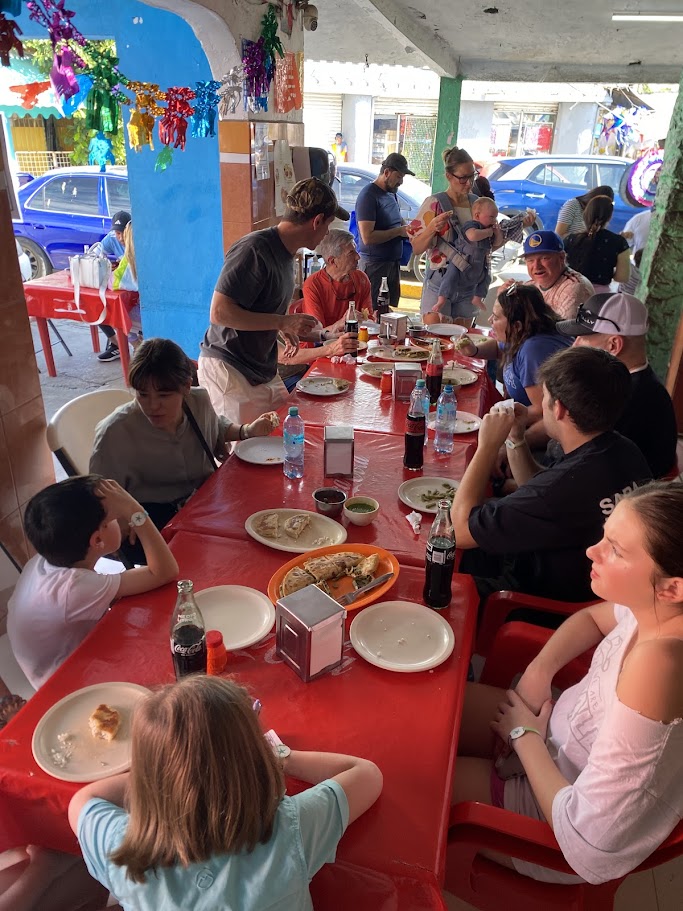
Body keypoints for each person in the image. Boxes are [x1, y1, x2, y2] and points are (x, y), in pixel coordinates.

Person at [453, 482, 683, 885]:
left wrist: (525, 737)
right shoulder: (656, 607)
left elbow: (586, 840)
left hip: (551, 818)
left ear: (673, 587)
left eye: (615, 549)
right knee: (432, 708)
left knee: (409, 781)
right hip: (550, 735)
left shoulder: (659, 667)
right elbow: (592, 619)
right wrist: (541, 671)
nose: (593, 551)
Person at [70, 675, 383, 910]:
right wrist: (282, 757)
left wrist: (162, 777)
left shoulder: (121, 848)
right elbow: (367, 775)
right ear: (255, 757)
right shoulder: (291, 831)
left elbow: (82, 801)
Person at [451, 346, 651, 603]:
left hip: (542, 601)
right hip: (596, 588)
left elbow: (458, 531)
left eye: (544, 397)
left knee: (439, 566)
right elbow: (539, 488)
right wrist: (515, 436)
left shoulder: (558, 492)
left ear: (559, 409)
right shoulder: (622, 449)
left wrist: (487, 446)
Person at [91, 339, 277, 562]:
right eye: (142, 394)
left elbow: (214, 426)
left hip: (206, 503)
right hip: (152, 520)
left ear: (186, 386)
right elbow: (97, 496)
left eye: (163, 395)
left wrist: (246, 431)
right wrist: (118, 518)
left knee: (264, 531)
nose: (152, 406)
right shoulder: (114, 432)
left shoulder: (198, 401)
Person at [198, 178, 348, 425]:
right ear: (317, 221)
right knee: (244, 453)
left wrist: (284, 326)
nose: (327, 234)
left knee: (287, 435)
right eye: (328, 225)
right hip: (230, 369)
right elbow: (220, 312)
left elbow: (259, 310)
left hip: (262, 371)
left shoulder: (287, 255)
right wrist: (281, 321)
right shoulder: (255, 249)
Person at [7, 477, 178, 691]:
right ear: (97, 540)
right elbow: (164, 571)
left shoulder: (43, 561)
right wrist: (136, 512)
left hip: (51, 664)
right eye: (116, 517)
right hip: (67, 684)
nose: (124, 521)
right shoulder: (74, 587)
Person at [556, 292, 677, 479]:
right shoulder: (641, 384)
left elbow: (579, 478)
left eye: (583, 338)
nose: (574, 345)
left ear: (614, 345)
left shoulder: (621, 401)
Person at [456, 284, 570, 426]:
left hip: (542, 429)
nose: (489, 320)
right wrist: (474, 351)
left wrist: (506, 434)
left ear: (517, 326)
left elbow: (542, 410)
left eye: (496, 318)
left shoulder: (534, 351)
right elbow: (500, 349)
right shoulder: (521, 334)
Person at [355, 152, 413, 310]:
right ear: (386, 172)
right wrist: (399, 231)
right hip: (374, 266)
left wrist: (409, 228)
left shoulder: (391, 194)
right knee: (373, 312)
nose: (400, 182)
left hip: (392, 264)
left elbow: (396, 221)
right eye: (398, 177)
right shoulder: (368, 196)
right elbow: (367, 237)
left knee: (387, 311)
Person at [434, 196, 501, 319]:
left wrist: (497, 233)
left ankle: (477, 298)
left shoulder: (489, 229)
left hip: (479, 266)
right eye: (491, 217)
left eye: (496, 217)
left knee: (487, 278)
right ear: (477, 215)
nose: (494, 221)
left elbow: (496, 243)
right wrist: (488, 232)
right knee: (450, 277)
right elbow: (472, 236)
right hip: (461, 263)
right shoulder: (471, 225)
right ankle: (441, 298)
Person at [301, 229, 372, 327]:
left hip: (353, 339)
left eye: (356, 251)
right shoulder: (313, 285)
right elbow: (317, 334)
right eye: (351, 253)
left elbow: (368, 319)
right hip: (325, 341)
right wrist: (342, 323)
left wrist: (376, 318)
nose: (358, 257)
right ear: (332, 261)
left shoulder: (361, 278)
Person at [563, 196, 630, 293]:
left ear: (585, 214)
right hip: (600, 298)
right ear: (610, 216)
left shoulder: (571, 240)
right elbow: (622, 277)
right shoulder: (619, 243)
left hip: (571, 292)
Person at [523, 230, 594, 320]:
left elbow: (560, 332)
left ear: (561, 257)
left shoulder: (573, 287)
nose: (536, 266)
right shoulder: (530, 285)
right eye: (530, 260)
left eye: (544, 258)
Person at [98, 210, 131, 363]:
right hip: (120, 288)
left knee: (125, 317)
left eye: (122, 232)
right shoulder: (111, 238)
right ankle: (117, 344)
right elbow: (96, 253)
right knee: (97, 307)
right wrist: (106, 265)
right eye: (116, 233)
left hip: (133, 293)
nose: (119, 237)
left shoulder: (137, 243)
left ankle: (134, 345)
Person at [111, 221, 142, 351]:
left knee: (117, 315)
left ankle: (137, 346)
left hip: (146, 314)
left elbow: (115, 284)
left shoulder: (129, 258)